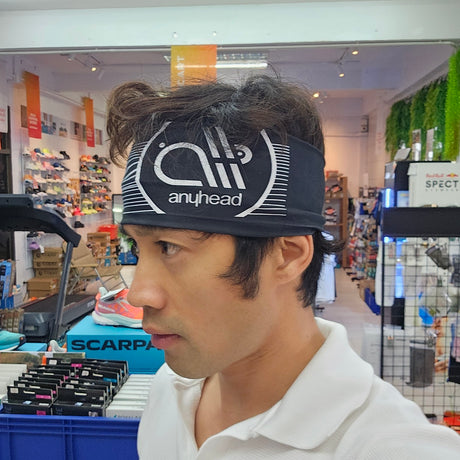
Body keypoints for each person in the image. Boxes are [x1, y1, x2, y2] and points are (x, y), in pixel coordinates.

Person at [106, 75, 460, 459]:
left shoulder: (393, 448)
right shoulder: (170, 389)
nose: (138, 294)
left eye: (169, 247)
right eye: (138, 248)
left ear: (287, 255)